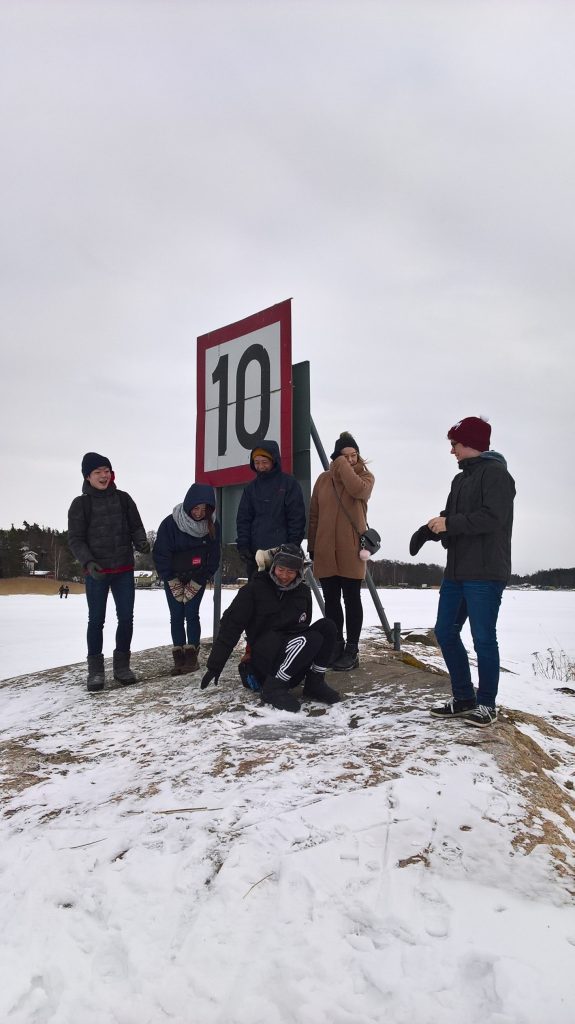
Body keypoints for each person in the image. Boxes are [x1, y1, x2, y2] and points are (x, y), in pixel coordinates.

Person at [410, 416, 515, 728]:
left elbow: (492, 518)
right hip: (457, 571)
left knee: (483, 637)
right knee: (444, 630)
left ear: (471, 444)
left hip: (485, 572)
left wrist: (450, 524)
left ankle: (486, 705)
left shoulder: (496, 474)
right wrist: (431, 530)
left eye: (454, 444)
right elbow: (452, 517)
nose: (451, 450)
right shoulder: (461, 479)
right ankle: (464, 697)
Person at [199, 544, 341, 712]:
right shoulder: (253, 589)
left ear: (299, 572)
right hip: (263, 662)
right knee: (311, 639)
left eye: (291, 572)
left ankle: (314, 682)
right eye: (281, 569)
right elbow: (231, 626)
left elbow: (304, 625)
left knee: (328, 627)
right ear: (273, 566)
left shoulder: (303, 592)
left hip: (290, 659)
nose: (284, 576)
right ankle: (273, 688)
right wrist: (215, 665)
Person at [68, 452, 150, 693]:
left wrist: (141, 541)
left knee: (126, 618)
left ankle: (122, 667)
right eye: (98, 472)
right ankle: (95, 671)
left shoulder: (124, 499)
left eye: (107, 470)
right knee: (96, 621)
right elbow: (75, 539)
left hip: (123, 570)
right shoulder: (80, 504)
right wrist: (88, 562)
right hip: (97, 573)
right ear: (88, 476)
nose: (104, 476)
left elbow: (136, 527)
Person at [308, 431, 375, 672]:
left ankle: (352, 650)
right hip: (325, 549)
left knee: (352, 599)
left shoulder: (365, 477)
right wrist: (313, 545)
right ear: (336, 457)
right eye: (344, 456)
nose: (350, 460)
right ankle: (336, 645)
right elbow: (314, 514)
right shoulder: (323, 480)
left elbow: (357, 490)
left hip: (351, 549)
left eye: (353, 455)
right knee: (332, 601)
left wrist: (340, 463)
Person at [153, 483, 221, 676]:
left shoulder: (212, 525)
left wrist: (199, 581)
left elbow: (214, 557)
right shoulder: (170, 523)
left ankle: (191, 656)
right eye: (196, 507)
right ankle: (178, 655)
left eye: (204, 509)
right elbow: (160, 553)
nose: (199, 513)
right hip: (173, 577)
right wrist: (171, 580)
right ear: (188, 504)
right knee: (176, 615)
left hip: (196, 578)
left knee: (191, 614)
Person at [236, 441, 306, 580]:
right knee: (257, 596)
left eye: (264, 462)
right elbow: (243, 519)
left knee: (281, 596)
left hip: (282, 554)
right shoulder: (251, 489)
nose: (260, 466)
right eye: (257, 462)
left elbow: (296, 518)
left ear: (273, 461)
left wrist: (292, 546)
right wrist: (243, 545)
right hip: (256, 556)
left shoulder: (289, 484)